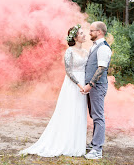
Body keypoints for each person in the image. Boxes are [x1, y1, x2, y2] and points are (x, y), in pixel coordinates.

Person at [19, 24, 89, 157]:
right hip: (73, 85)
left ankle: (77, 143)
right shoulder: (69, 51)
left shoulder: (86, 52)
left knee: (79, 112)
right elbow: (68, 71)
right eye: (81, 33)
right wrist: (80, 85)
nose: (84, 35)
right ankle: (65, 142)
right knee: (69, 112)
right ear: (74, 37)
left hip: (84, 85)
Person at [82, 21, 112, 160]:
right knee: (94, 116)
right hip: (93, 86)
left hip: (97, 86)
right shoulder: (95, 46)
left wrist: (90, 84)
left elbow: (101, 68)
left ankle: (97, 150)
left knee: (98, 117)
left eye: (92, 30)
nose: (90, 33)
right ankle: (94, 143)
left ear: (99, 32)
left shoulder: (104, 48)